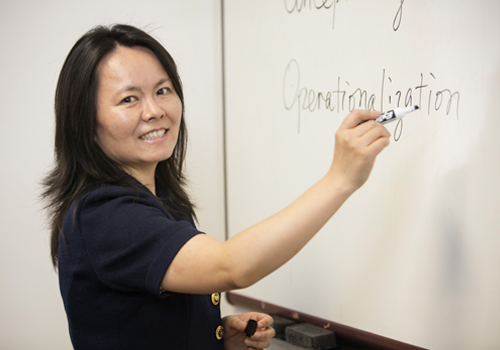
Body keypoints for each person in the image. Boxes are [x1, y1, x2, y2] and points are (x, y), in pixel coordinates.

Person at [42, 24, 390, 350]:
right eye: (129, 99)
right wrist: (340, 179)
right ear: (85, 123)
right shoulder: (104, 214)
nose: (154, 110)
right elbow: (231, 267)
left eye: (163, 91)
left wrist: (215, 337)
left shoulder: (160, 199)